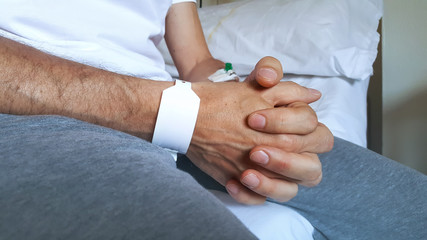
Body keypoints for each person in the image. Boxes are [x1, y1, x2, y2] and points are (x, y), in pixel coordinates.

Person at [0, 1, 425, 239]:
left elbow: (198, 61)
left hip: (177, 107)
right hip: (36, 117)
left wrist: (244, 96)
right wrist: (185, 116)